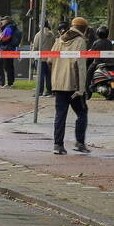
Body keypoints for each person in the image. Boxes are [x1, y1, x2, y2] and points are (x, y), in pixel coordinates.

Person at [48, 17, 90, 155]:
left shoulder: (59, 39)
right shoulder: (80, 41)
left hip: (58, 83)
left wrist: (56, 75)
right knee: (82, 112)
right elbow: (80, 66)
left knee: (60, 115)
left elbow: (49, 60)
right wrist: (81, 88)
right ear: (84, 29)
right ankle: (80, 143)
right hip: (73, 85)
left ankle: (58, 145)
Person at [31, 21, 55, 96]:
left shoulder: (38, 35)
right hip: (50, 58)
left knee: (40, 76)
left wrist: (32, 54)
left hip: (40, 58)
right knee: (49, 76)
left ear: (40, 25)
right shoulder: (52, 35)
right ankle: (49, 91)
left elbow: (35, 47)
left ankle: (39, 91)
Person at [0, 16, 22, 87]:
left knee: (7, 67)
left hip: (6, 49)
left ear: (7, 20)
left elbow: (5, 38)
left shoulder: (8, 27)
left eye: (3, 20)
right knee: (10, 66)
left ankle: (9, 83)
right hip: (10, 48)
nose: (1, 21)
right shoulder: (12, 27)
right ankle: (10, 82)